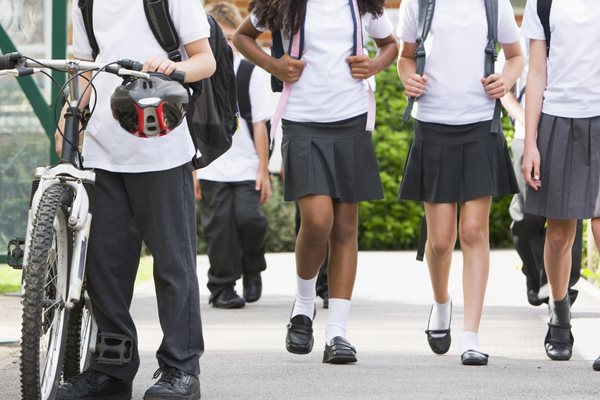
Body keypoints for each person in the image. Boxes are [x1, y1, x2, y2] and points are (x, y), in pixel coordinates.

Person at [56, 1, 215, 399]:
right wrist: (68, 114)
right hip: (101, 150)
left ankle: (181, 370)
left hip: (160, 147)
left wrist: (172, 69)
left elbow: (204, 61)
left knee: (173, 263)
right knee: (105, 267)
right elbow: (83, 64)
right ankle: (112, 370)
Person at [234, 0, 398, 364]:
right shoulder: (282, 4)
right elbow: (242, 37)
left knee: (344, 228)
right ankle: (303, 305)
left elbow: (391, 46)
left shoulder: (362, 5)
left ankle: (338, 332)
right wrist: (273, 65)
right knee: (318, 220)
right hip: (302, 120)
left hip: (351, 120)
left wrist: (373, 64)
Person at [397, 0, 524, 366]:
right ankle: (441, 302)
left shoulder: (493, 3)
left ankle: (471, 335)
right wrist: (408, 78)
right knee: (439, 240)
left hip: (481, 124)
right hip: (433, 125)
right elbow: (405, 56)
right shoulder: (417, 3)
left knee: (473, 232)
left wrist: (506, 79)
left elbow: (514, 56)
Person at [520, 0, 600, 365]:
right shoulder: (543, 3)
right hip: (558, 120)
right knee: (560, 234)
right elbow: (536, 74)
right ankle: (559, 313)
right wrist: (532, 142)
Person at [195, 2, 272, 310]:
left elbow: (260, 125)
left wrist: (264, 170)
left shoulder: (250, 72)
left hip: (246, 166)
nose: (225, 45)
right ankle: (222, 286)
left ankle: (253, 268)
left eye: (230, 38)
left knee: (251, 219)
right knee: (219, 228)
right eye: (218, 38)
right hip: (211, 166)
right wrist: (194, 170)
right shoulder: (200, 72)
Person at [499, 41, 582, 308]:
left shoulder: (576, 35)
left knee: (569, 212)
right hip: (527, 137)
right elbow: (505, 92)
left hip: (570, 132)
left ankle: (560, 284)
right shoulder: (521, 39)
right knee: (526, 216)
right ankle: (535, 276)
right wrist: (525, 119)